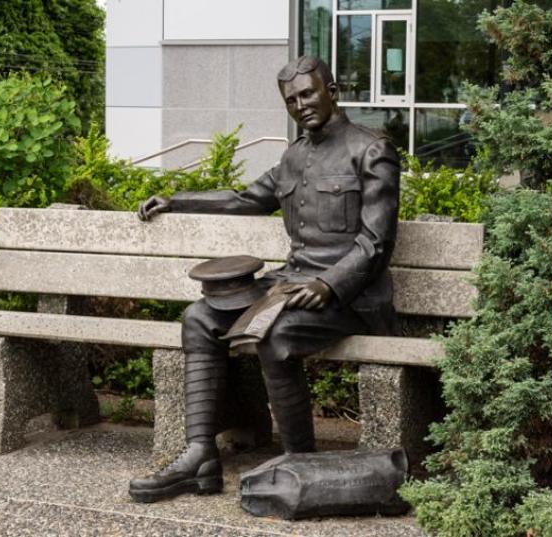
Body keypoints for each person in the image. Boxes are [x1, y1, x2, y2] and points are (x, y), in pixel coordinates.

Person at [128, 55, 401, 503]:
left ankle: (299, 459)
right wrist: (176, 199)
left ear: (332, 91)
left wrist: (330, 284)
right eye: (292, 100)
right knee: (200, 316)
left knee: (277, 333)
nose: (301, 105)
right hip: (292, 284)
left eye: (309, 93)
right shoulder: (293, 157)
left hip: (352, 296)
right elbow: (243, 199)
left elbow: (376, 242)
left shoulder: (371, 149)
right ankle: (200, 455)